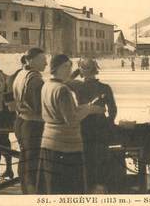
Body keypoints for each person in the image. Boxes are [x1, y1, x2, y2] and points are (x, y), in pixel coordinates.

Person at [36, 54, 105, 194]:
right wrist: (90, 109)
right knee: (70, 191)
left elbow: (61, 112)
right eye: (66, 66)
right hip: (65, 147)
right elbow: (71, 119)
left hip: (49, 143)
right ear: (58, 68)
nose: (70, 70)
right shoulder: (62, 90)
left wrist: (85, 107)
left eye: (70, 66)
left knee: (52, 190)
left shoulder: (47, 85)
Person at [67, 58, 123, 193]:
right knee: (102, 159)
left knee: (86, 160)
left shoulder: (77, 86)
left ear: (82, 72)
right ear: (95, 71)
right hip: (101, 128)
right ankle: (102, 187)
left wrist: (76, 72)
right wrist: (108, 123)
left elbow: (65, 81)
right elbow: (113, 110)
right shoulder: (105, 88)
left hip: (84, 127)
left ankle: (88, 188)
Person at [12, 47, 47, 194]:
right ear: (30, 60)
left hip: (21, 121)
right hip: (34, 124)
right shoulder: (36, 79)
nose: (46, 63)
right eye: (42, 60)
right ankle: (33, 194)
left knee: (25, 159)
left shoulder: (21, 74)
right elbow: (40, 107)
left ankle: (26, 190)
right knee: (34, 162)